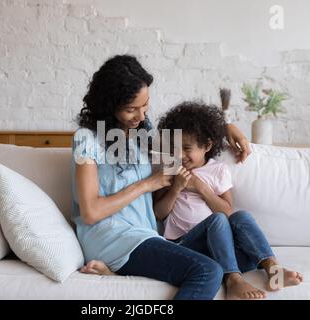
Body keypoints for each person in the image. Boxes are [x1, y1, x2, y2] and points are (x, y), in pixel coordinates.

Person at [72, 54, 250, 300]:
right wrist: (147, 184)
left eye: (145, 105)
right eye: (131, 109)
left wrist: (227, 127)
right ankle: (116, 268)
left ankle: (117, 274)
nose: (141, 116)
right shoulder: (87, 140)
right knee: (207, 271)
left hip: (147, 236)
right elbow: (91, 211)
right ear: (107, 106)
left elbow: (191, 131)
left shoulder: (140, 136)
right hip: (112, 238)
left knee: (242, 256)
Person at [152, 102, 303, 299]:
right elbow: (158, 214)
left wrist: (201, 188)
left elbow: (227, 211)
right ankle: (233, 280)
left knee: (240, 217)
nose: (179, 155)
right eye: (174, 148)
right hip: (185, 246)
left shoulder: (218, 170)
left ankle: (273, 269)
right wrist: (176, 188)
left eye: (186, 148)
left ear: (207, 146)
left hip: (220, 251)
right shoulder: (170, 171)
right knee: (217, 220)